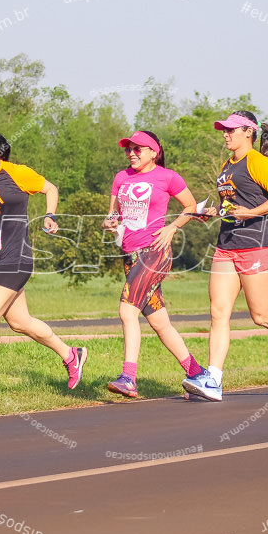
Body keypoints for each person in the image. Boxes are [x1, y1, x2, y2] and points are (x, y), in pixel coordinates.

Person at [182, 111, 268, 402]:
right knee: (218, 312)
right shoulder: (227, 165)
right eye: (224, 130)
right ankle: (213, 380)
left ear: (248, 132)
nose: (226, 134)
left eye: (231, 130)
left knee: (261, 315)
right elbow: (229, 206)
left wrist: (252, 213)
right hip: (227, 244)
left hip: (257, 244)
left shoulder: (258, 162)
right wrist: (210, 213)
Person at [0, 130, 87, 403]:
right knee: (20, 322)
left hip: (17, 258)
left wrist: (50, 216)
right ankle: (71, 355)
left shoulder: (16, 173)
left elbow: (50, 188)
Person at [101, 130, 207, 398]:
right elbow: (113, 214)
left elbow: (191, 206)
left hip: (155, 252)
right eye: (128, 149)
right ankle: (198, 374)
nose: (132, 153)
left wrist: (172, 228)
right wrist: (110, 223)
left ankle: (128, 377)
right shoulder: (121, 178)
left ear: (153, 152)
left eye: (138, 149)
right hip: (130, 254)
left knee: (127, 312)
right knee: (160, 323)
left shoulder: (167, 176)